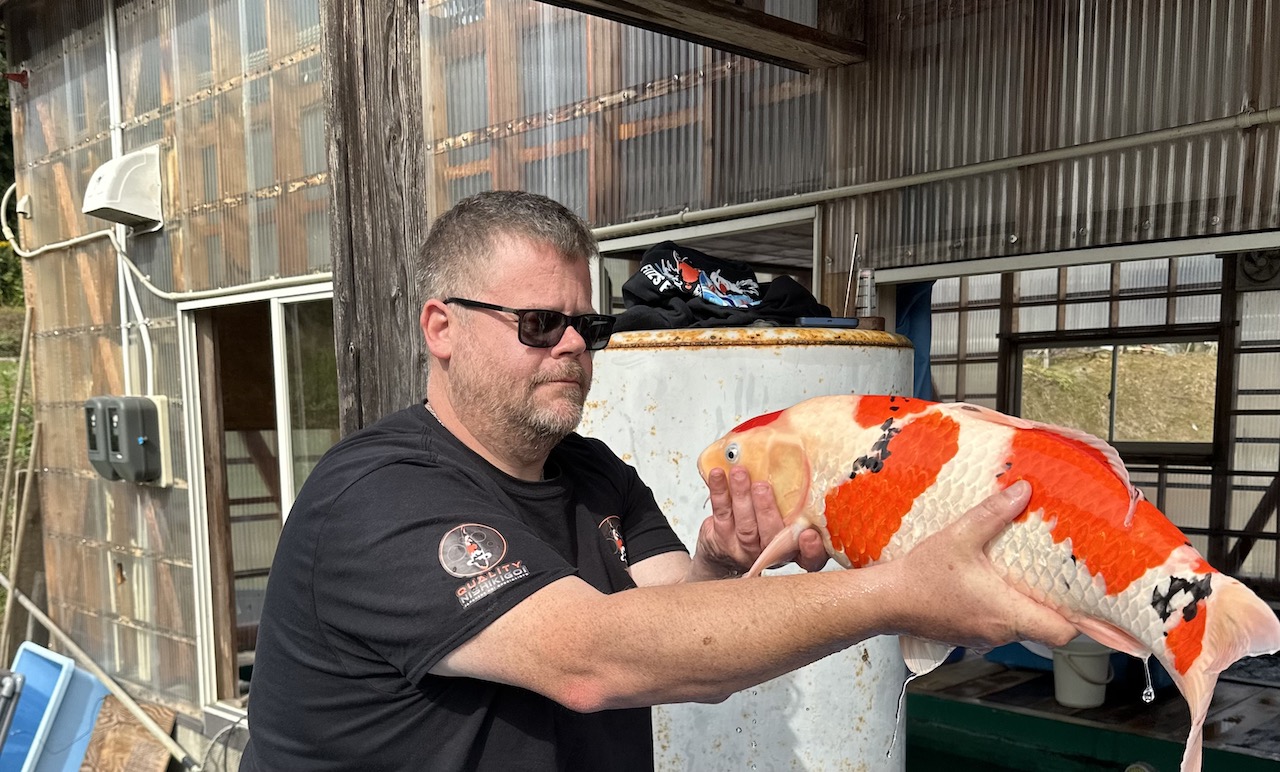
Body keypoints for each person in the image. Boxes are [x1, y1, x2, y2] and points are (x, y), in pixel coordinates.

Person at [239, 191, 1075, 771]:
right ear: (441, 328)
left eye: (588, 324)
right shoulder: (376, 494)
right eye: (540, 324)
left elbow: (675, 629)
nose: (574, 346)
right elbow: (592, 659)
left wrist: (719, 561)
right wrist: (900, 593)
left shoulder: (595, 471)